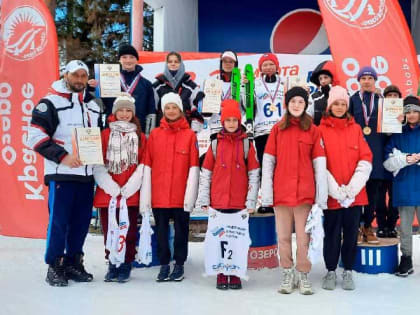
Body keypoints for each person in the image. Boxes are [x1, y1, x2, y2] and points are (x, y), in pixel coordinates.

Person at [28, 60, 101, 287]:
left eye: (83, 76)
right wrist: (63, 157)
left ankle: (73, 262)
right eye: (75, 75)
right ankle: (55, 265)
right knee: (59, 222)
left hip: (87, 174)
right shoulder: (49, 102)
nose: (79, 80)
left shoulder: (94, 105)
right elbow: (35, 138)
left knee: (81, 223)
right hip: (62, 174)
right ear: (65, 75)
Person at [261, 86, 328, 295]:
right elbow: (268, 163)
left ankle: (303, 273)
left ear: (305, 105)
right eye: (293, 102)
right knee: (282, 237)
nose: (296, 105)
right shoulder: (277, 129)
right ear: (287, 105)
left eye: (300, 102)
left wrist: (321, 195)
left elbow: (319, 164)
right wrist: (267, 193)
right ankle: (287, 272)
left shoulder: (313, 130)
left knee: (303, 238)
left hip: (304, 195)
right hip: (282, 193)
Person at [197, 99, 260, 290]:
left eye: (235, 120)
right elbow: (206, 174)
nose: (231, 123)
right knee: (219, 239)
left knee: (237, 240)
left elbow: (254, 174)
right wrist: (204, 198)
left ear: (239, 121)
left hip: (238, 203)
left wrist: (250, 200)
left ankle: (235, 272)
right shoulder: (215, 144)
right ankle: (222, 272)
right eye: (228, 120)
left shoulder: (247, 144)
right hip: (218, 203)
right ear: (222, 122)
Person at [140, 92, 199, 282]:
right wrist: (147, 195)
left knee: (182, 231)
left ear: (180, 110)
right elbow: (147, 165)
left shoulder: (190, 135)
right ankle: (164, 264)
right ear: (163, 110)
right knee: (161, 232)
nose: (171, 111)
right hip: (159, 195)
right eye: (168, 108)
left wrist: (190, 195)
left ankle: (179, 264)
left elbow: (193, 167)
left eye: (174, 107)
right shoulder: (155, 135)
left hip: (180, 195)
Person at [318, 86, 372, 291]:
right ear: (329, 105)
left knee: (351, 234)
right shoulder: (320, 130)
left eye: (343, 104)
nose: (339, 107)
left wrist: (352, 188)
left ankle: (348, 270)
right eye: (336, 103)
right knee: (331, 234)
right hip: (332, 196)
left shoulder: (356, 129)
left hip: (354, 196)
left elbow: (366, 158)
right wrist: (335, 190)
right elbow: (319, 162)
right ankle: (330, 270)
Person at [93, 93, 146, 283]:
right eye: (121, 110)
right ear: (115, 112)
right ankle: (112, 262)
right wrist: (110, 186)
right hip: (109, 193)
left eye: (128, 110)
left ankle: (126, 263)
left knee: (129, 230)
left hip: (130, 193)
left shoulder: (140, 136)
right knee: (110, 230)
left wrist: (131, 186)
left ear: (133, 113)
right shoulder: (105, 134)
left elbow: (143, 164)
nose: (124, 114)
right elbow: (97, 163)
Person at [348, 66, 388, 244]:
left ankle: (368, 228)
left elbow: (390, 130)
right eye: (363, 78)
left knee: (373, 194)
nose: (366, 81)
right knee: (356, 192)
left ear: (375, 80)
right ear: (358, 81)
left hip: (376, 153)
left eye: (369, 78)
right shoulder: (351, 100)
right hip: (356, 154)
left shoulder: (383, 101)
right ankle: (356, 226)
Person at [384, 95, 420, 277]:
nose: (412, 115)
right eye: (408, 111)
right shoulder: (396, 134)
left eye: (415, 111)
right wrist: (405, 159)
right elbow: (387, 163)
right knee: (405, 229)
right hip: (404, 188)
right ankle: (406, 259)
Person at [89, 44, 156, 134]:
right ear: (119, 60)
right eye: (124, 57)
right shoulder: (108, 79)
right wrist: (93, 88)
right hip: (113, 131)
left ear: (137, 60)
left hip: (138, 131)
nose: (128, 60)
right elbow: (100, 105)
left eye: (132, 57)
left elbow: (151, 112)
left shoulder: (146, 84)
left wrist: (148, 134)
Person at [252, 53, 284, 213]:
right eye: (265, 64)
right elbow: (247, 106)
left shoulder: (285, 83)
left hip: (282, 131)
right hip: (262, 131)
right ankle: (266, 200)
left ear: (277, 66)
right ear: (260, 68)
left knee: (282, 166)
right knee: (265, 167)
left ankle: (282, 198)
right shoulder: (255, 84)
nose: (268, 67)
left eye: (271, 64)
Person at [152, 51, 204, 130]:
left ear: (181, 64)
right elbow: (153, 111)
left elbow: (195, 110)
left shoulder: (190, 85)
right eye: (170, 62)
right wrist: (152, 131)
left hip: (184, 129)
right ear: (166, 64)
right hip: (163, 129)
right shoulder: (157, 86)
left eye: (176, 62)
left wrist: (195, 131)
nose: (173, 64)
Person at [377, 85, 403, 238]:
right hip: (380, 162)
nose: (392, 98)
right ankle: (381, 225)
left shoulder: (404, 115)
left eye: (395, 95)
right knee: (379, 198)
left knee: (395, 196)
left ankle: (392, 225)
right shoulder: (378, 112)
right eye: (389, 95)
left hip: (397, 163)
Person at [205, 50, 240, 138]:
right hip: (216, 128)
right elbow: (207, 112)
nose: (228, 64)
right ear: (221, 63)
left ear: (235, 64)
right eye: (225, 61)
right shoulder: (213, 81)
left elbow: (246, 107)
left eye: (231, 61)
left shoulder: (241, 82)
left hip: (235, 128)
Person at [309, 60, 338, 126]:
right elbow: (308, 119)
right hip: (319, 135)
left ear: (333, 78)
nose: (323, 81)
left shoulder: (343, 94)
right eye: (320, 79)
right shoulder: (313, 97)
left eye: (326, 77)